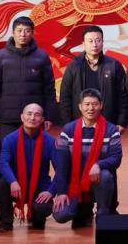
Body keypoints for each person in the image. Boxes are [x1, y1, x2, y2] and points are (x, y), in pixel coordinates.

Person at [53, 88, 123, 227]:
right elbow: (62, 164)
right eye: (87, 104)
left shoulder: (111, 130)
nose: (91, 108)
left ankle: (103, 212)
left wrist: (98, 165)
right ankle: (83, 210)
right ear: (80, 106)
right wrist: (61, 192)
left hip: (97, 180)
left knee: (105, 176)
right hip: (76, 182)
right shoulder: (68, 130)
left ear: (101, 105)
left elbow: (116, 158)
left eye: (95, 104)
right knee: (61, 214)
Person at [0, 15, 57, 138]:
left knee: (34, 150)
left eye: (27, 31)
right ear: (13, 33)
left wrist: (49, 117)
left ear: (32, 33)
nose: (23, 34)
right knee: (8, 149)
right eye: (19, 30)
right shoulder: (1, 56)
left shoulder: (42, 56)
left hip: (34, 118)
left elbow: (49, 89)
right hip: (8, 118)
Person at [0, 102, 56, 232]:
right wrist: (13, 181)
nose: (32, 118)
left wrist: (51, 191)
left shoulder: (50, 141)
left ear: (42, 120)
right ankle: (6, 222)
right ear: (22, 117)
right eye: (29, 114)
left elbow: (61, 170)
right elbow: (3, 163)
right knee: (2, 184)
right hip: (16, 185)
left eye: (37, 115)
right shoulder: (10, 139)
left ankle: (36, 217)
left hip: (40, 186)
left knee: (42, 210)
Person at [58, 25, 128, 128]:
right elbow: (65, 97)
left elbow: (123, 96)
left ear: (102, 42)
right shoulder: (74, 66)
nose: (94, 44)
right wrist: (68, 124)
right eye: (90, 41)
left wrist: (122, 122)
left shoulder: (114, 65)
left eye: (98, 40)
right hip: (80, 124)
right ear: (83, 44)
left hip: (108, 123)